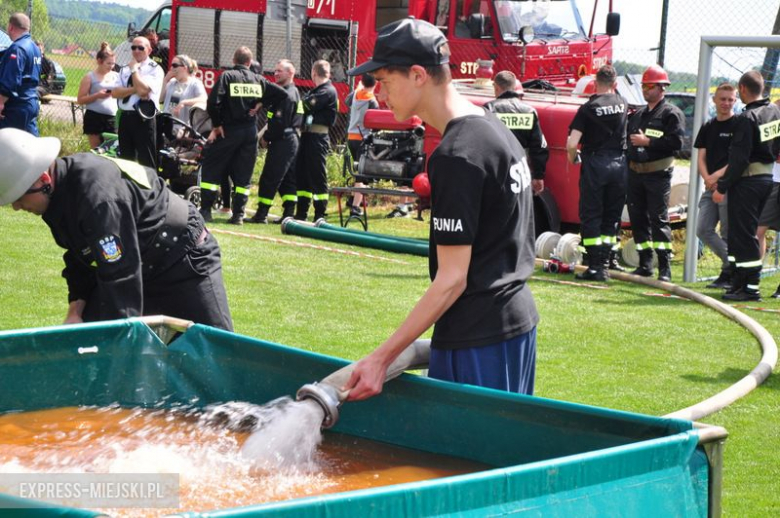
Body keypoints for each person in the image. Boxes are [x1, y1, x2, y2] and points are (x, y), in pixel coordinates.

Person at [343, 18, 539, 400]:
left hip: (478, 336)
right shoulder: (492, 129)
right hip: (514, 325)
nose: (379, 94)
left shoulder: (458, 155)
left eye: (384, 81)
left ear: (418, 75)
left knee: (471, 460)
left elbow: (452, 279)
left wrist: (381, 358)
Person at [0, 127, 233, 330]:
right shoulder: (57, 198)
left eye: (19, 197)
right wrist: (75, 312)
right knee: (89, 349)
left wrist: (117, 343)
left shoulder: (97, 198)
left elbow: (120, 274)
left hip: (184, 260)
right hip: (141, 261)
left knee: (216, 355)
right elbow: (81, 258)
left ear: (43, 180)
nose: (17, 207)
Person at [199, 46, 289, 224]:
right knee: (243, 173)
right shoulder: (259, 80)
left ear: (233, 61)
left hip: (229, 130)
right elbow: (282, 94)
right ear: (249, 62)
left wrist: (217, 126)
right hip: (250, 132)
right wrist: (261, 103)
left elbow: (213, 102)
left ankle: (206, 210)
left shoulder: (227, 77)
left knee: (212, 167)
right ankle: (238, 214)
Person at [713, 71, 780, 301]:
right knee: (743, 233)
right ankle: (739, 282)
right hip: (766, 179)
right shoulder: (774, 112)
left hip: (748, 181)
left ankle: (750, 287)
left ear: (742, 88)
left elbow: (739, 159)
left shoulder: (747, 118)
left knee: (744, 234)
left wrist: (721, 187)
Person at [565, 65, 627, 282]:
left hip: (595, 164)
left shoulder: (588, 108)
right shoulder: (623, 103)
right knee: (611, 216)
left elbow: (572, 143)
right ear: (615, 84)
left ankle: (594, 267)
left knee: (591, 214)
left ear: (594, 83)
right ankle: (606, 262)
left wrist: (572, 158)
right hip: (619, 164)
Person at [626, 65, 685, 282]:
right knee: (638, 218)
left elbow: (677, 143)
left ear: (662, 88)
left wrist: (648, 142)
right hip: (635, 173)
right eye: (643, 85)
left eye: (650, 85)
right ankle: (645, 264)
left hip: (657, 175)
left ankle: (665, 268)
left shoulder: (671, 114)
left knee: (658, 220)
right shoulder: (639, 114)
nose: (645, 89)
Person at [246, 59, 303, 224]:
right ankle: (289, 213)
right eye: (275, 70)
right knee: (286, 178)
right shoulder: (291, 91)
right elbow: (271, 95)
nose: (276, 73)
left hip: (283, 139)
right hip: (289, 139)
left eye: (280, 71)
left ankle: (261, 214)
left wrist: (266, 137)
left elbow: (279, 123)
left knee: (270, 177)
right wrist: (261, 103)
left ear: (290, 73)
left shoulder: (286, 96)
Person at [693, 83, 737, 290]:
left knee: (728, 233)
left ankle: (728, 274)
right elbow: (701, 155)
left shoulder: (739, 125)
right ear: (714, 100)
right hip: (710, 187)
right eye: (722, 99)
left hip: (728, 187)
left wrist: (716, 177)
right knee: (702, 229)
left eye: (730, 99)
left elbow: (738, 159)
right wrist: (707, 178)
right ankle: (733, 266)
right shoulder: (709, 126)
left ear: (735, 100)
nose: (726, 103)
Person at [485, 70, 548, 196]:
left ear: (496, 87)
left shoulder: (489, 110)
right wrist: (538, 176)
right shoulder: (529, 111)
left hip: (496, 170)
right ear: (514, 87)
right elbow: (539, 147)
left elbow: (482, 143)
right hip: (520, 172)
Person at [295, 59, 338, 222]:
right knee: (302, 173)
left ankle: (320, 213)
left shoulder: (327, 91)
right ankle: (301, 212)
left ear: (314, 73)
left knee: (317, 174)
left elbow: (305, 106)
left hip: (317, 138)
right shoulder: (317, 91)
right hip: (307, 136)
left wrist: (295, 104)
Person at [112, 36, 164, 169]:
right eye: (133, 47)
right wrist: (136, 89)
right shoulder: (124, 69)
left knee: (146, 161)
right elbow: (115, 93)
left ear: (149, 50)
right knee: (126, 160)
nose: (136, 51)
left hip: (144, 118)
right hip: (126, 117)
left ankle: (149, 189)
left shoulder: (154, 69)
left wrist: (134, 70)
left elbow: (143, 91)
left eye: (141, 48)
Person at [344, 73, 379, 217]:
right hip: (363, 138)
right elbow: (375, 123)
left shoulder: (355, 95)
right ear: (376, 83)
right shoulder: (372, 101)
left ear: (361, 82)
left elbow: (347, 101)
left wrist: (358, 88)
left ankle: (353, 198)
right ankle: (356, 207)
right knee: (361, 174)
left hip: (351, 137)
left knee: (357, 167)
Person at [0, 13, 41, 135]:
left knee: (7, 142)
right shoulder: (35, 48)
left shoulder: (17, 49)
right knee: (32, 143)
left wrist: (1, 102)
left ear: (10, 27)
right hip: (31, 103)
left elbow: (10, 82)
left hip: (16, 106)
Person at [76, 42, 119, 149]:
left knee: (111, 148)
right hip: (94, 116)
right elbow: (80, 99)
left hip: (112, 117)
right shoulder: (90, 77)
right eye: (108, 63)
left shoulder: (117, 76)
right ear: (99, 61)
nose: (111, 66)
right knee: (96, 149)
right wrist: (97, 95)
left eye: (113, 63)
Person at [161, 54, 207, 132]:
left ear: (184, 68)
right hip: (166, 124)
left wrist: (184, 102)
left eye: (175, 65)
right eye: (171, 65)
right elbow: (160, 99)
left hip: (182, 128)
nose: (171, 68)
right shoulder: (172, 82)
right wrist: (165, 80)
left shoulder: (194, 83)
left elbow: (204, 99)